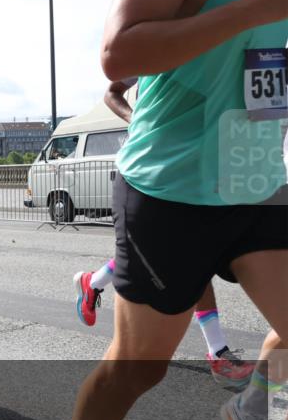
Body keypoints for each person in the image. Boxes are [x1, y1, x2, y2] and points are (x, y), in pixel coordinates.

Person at [33, 0, 288, 420]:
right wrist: (252, 10)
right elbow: (119, 53)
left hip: (255, 182)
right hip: (174, 191)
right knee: (138, 369)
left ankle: (253, 410)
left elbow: (253, 70)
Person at [73, 78, 255, 390]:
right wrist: (137, 120)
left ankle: (92, 283)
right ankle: (217, 352)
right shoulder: (159, 46)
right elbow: (112, 91)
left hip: (200, 168)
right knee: (190, 258)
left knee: (185, 256)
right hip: (152, 173)